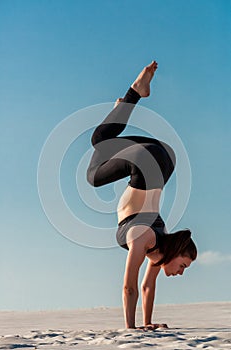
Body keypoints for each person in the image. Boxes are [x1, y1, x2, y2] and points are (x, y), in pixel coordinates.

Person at [87, 61, 197, 330]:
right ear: (175, 253)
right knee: (93, 174)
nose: (181, 273)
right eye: (183, 266)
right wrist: (131, 329)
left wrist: (148, 323)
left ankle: (129, 99)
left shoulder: (159, 247)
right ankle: (130, 97)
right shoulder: (145, 237)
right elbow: (129, 287)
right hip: (148, 163)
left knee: (102, 140)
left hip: (164, 158)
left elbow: (147, 286)